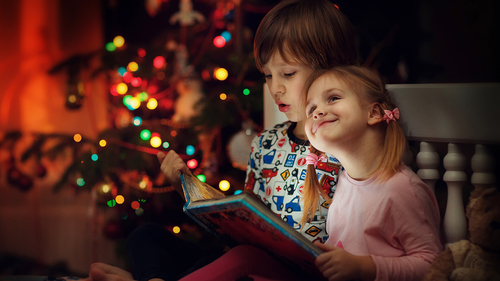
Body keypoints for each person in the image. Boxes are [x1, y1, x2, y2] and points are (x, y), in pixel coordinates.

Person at [82, 0, 359, 280]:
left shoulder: (349, 145)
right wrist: (187, 188)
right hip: (248, 263)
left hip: (300, 274)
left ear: (331, 69)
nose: (275, 87)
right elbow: (247, 223)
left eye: (288, 74)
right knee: (146, 236)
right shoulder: (267, 142)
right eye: (267, 75)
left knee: (242, 259)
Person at [302, 66, 441, 280]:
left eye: (333, 98)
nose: (317, 111)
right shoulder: (342, 183)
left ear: (374, 113)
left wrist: (364, 268)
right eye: (311, 109)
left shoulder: (402, 189)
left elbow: (432, 264)